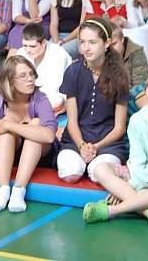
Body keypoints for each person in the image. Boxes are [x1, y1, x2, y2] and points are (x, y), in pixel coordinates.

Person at [83, 70, 148, 228]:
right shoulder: (137, 119)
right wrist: (135, 181)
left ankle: (112, 211)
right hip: (141, 174)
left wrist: (132, 185)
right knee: (100, 169)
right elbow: (136, 159)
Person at [57, 18, 130, 184]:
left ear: (106, 43)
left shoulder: (119, 75)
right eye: (82, 42)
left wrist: (96, 147)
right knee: (70, 173)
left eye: (92, 42)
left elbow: (119, 127)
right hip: (76, 140)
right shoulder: (73, 71)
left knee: (98, 175)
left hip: (108, 143)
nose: (86, 47)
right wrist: (82, 145)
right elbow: (72, 121)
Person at [0, 55, 57, 212]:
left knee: (36, 125)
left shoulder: (40, 99)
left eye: (31, 74)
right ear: (10, 81)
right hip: (10, 155)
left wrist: (10, 125)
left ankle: (18, 191)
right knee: (5, 134)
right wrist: (6, 128)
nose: (30, 79)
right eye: (23, 76)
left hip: (40, 154)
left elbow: (49, 136)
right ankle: (2, 190)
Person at [15, 23, 72, 112]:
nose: (28, 50)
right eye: (25, 45)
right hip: (28, 94)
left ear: (44, 43)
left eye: (33, 46)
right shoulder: (21, 52)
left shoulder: (58, 53)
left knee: (55, 101)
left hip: (53, 95)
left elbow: (53, 87)